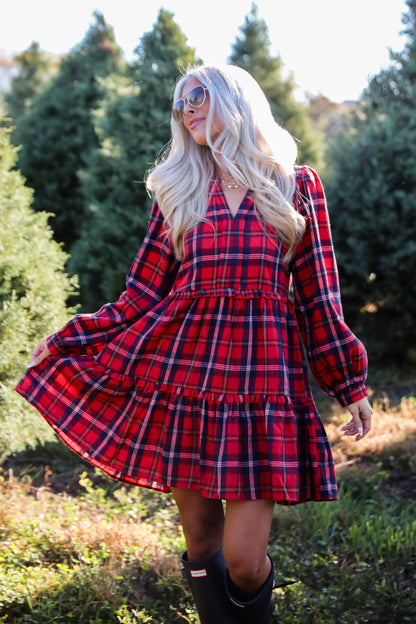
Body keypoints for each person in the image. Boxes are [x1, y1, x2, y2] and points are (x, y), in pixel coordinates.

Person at [15, 64, 372, 624]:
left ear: (235, 101)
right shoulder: (180, 192)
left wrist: (349, 382)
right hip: (186, 381)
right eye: (182, 102)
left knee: (246, 558)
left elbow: (318, 296)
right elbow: (138, 296)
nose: (188, 110)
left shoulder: (295, 185)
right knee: (203, 540)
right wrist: (68, 336)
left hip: (260, 389)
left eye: (199, 96)